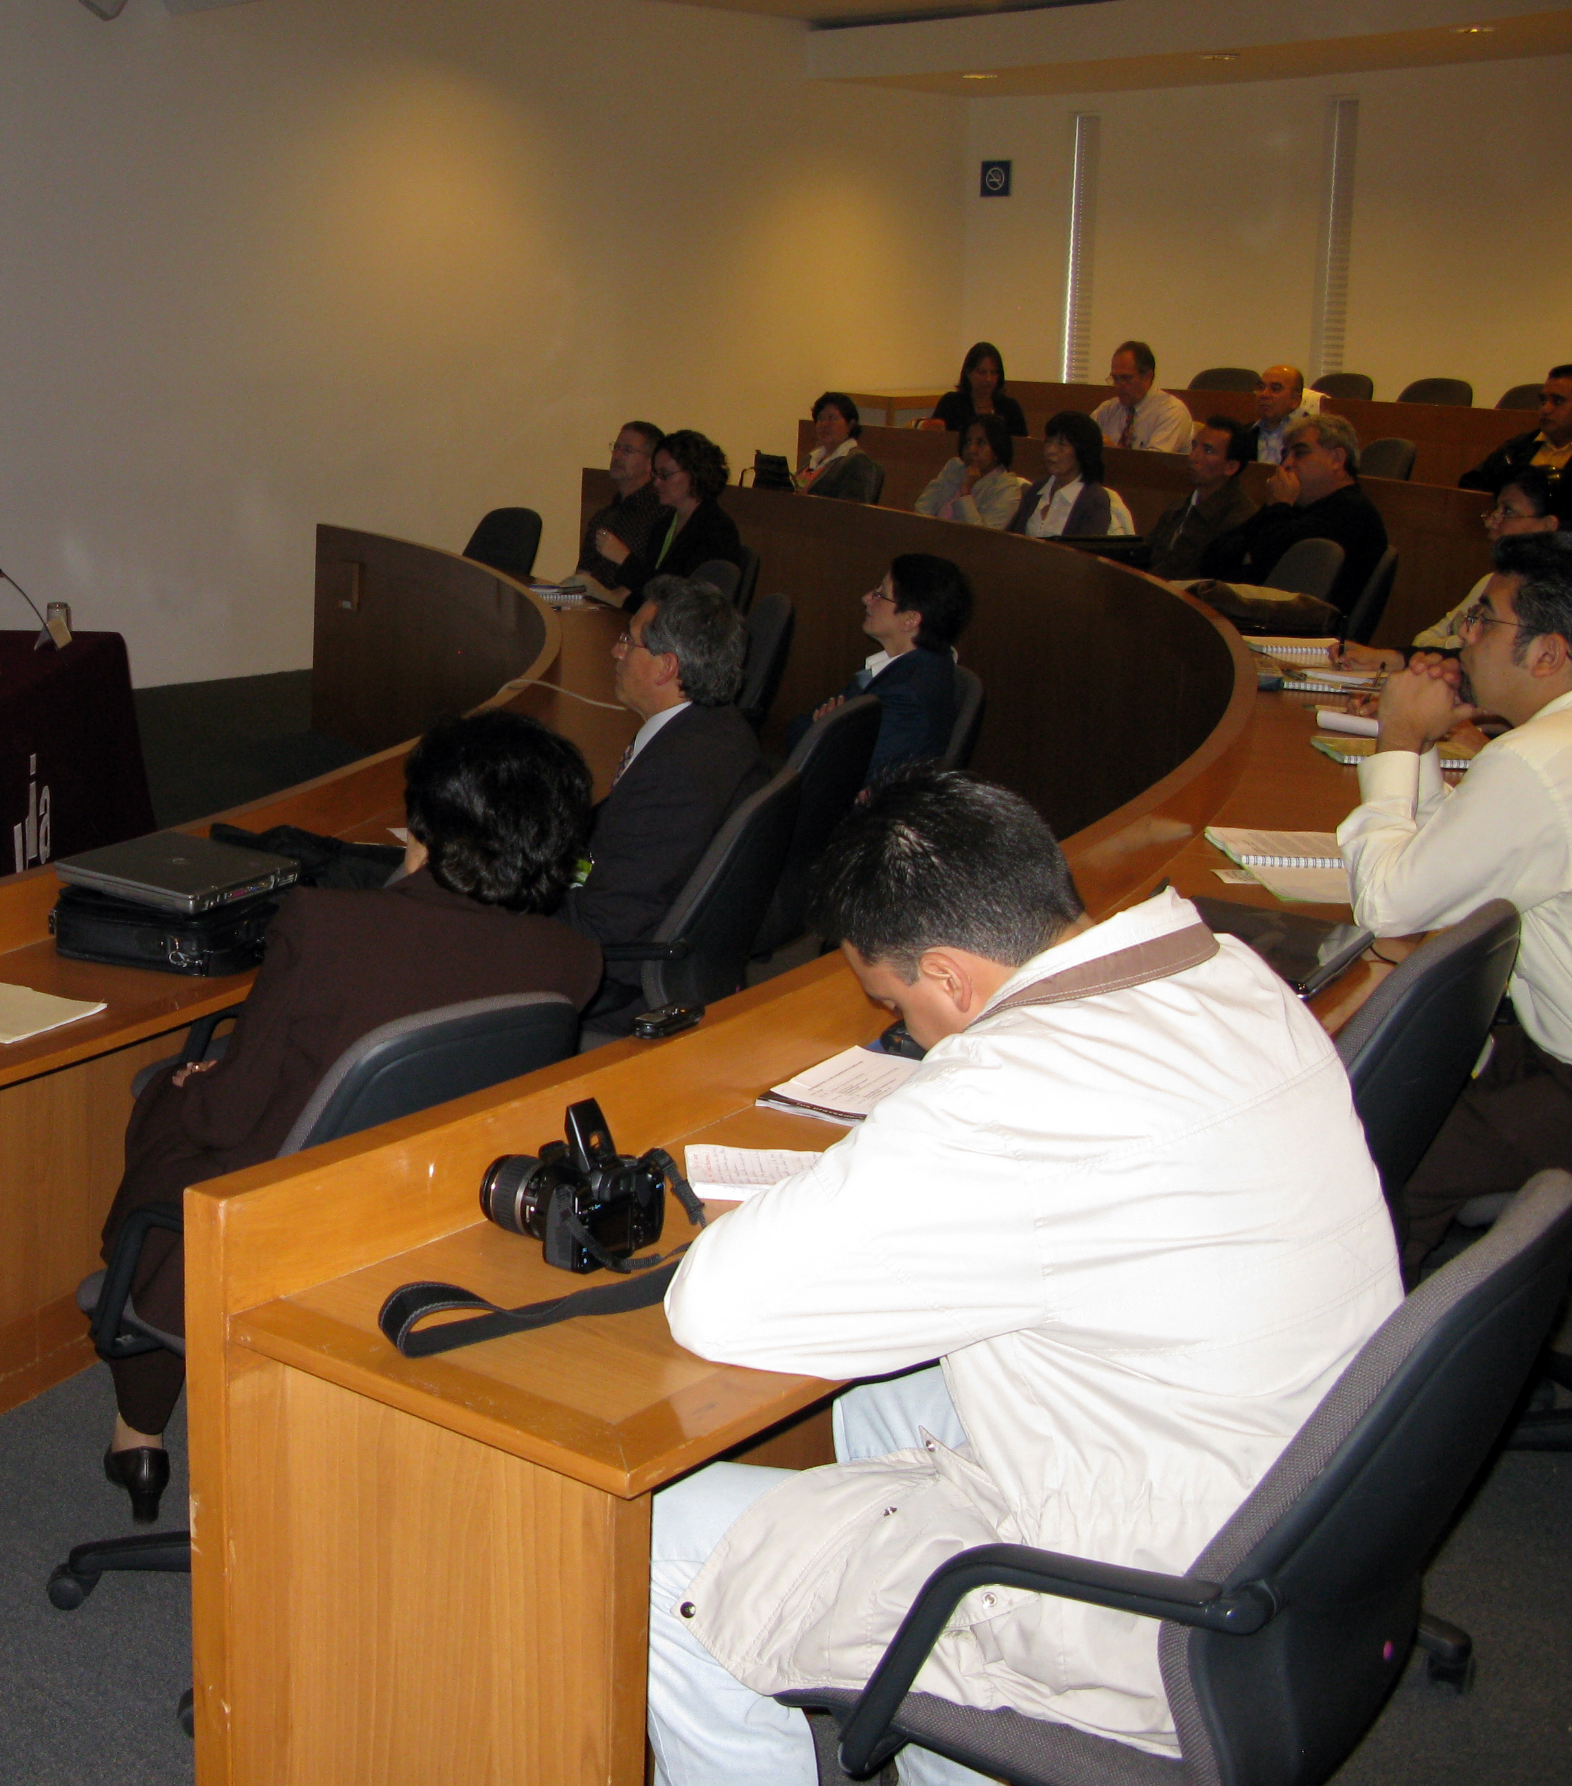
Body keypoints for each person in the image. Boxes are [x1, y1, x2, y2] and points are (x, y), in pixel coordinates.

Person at [647, 770, 1399, 1784]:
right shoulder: (1228, 973)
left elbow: (715, 1305)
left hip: (1155, 1620)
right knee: (877, 1407)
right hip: (1302, 1522)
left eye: (897, 1005)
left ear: (950, 978)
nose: (908, 1033)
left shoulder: (1009, 1094)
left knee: (665, 1550)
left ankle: (983, 1718)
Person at [94, 711, 602, 1518]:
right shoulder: (573, 960)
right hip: (433, 1212)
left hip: (283, 1220)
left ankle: (139, 1431)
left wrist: (187, 1084)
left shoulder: (327, 924)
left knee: (167, 1111)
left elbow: (227, 1114)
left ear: (424, 824)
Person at [1340, 532, 1572, 1275]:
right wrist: (1425, 747)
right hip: (1542, 1039)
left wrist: (1398, 735)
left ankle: (1374, 1341)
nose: (1462, 637)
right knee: (1406, 1087)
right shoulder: (1547, 748)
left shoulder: (1537, 761)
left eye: (1483, 621)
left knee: (1378, 1164)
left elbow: (1389, 905)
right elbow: (1459, 863)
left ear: (1548, 654)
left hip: (1562, 1070)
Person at [568, 579, 772, 1034]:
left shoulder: (674, 777)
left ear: (666, 667)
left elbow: (605, 926)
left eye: (628, 641)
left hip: (622, 982)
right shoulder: (719, 729)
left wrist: (513, 897)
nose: (616, 652)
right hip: (654, 933)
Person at [1333, 468, 1565, 667]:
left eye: (1508, 511)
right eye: (1495, 509)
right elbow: (1425, 639)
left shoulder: (1549, 602)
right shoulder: (1490, 581)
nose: (1491, 521)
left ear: (1547, 525)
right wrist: (1387, 657)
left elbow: (1490, 658)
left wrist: (1451, 644)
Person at [785, 555, 971, 781]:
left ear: (910, 619)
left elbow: (828, 770)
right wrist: (821, 729)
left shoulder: (906, 697)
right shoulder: (914, 664)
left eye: (880, 594)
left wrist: (822, 729)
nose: (866, 598)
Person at [1198, 411, 1387, 617]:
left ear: (1336, 459)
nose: (1286, 464)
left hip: (1291, 628)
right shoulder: (1293, 506)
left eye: (1300, 453)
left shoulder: (1350, 513)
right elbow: (1213, 559)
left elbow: (1272, 563)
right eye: (1285, 455)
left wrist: (1278, 507)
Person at [595, 429, 743, 604]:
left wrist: (624, 559)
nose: (657, 482)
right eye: (656, 474)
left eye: (665, 475)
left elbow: (681, 597)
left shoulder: (717, 531)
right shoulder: (665, 524)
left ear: (694, 473)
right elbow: (648, 590)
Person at [1144, 415, 1260, 579]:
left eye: (1208, 450)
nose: (1193, 457)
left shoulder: (1240, 520)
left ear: (1231, 467)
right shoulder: (1179, 507)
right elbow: (1148, 553)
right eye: (1194, 446)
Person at [1006, 410, 1133, 538]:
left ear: (1082, 451)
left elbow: (1085, 549)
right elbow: (1013, 538)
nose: (1050, 450)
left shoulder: (1094, 499)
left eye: (1061, 445)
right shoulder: (1038, 488)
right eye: (1048, 441)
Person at [1459, 364, 1572, 494]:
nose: (1545, 409)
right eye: (1543, 401)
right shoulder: (1518, 448)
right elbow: (1472, 485)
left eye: (1558, 401)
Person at [578, 419, 663, 591]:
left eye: (627, 450)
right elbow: (583, 574)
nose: (617, 456)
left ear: (650, 463)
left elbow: (655, 582)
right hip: (592, 601)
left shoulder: (660, 514)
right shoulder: (603, 516)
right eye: (616, 447)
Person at [913, 413, 1027, 530]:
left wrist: (965, 493)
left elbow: (981, 535)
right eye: (967, 442)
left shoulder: (1006, 488)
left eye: (980, 442)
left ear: (997, 448)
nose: (971, 449)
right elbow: (922, 508)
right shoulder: (955, 468)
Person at [1093, 339, 1190, 454]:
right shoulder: (1108, 410)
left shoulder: (1171, 411)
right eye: (1115, 379)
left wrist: (1114, 453)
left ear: (1147, 376)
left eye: (1126, 378)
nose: (1118, 386)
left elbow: (1154, 462)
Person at [921, 342, 1026, 438]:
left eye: (994, 372)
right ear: (968, 373)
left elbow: (1023, 446)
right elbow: (933, 440)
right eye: (982, 372)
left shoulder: (1010, 408)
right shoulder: (951, 403)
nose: (988, 379)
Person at [797, 393, 884, 504]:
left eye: (832, 418)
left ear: (850, 425)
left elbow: (852, 509)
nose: (824, 424)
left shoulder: (858, 462)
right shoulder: (812, 457)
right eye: (820, 418)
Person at [1250, 363, 1325, 465]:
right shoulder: (1248, 433)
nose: (1264, 394)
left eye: (1275, 389)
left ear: (1296, 399)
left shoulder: (1316, 434)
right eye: (1261, 387)